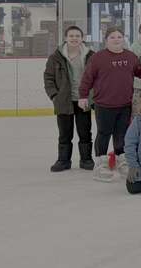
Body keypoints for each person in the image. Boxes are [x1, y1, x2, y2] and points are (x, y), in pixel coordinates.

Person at [79, 27, 141, 182]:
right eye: (112, 37)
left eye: (119, 36)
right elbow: (87, 78)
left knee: (122, 134)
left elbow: (140, 70)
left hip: (124, 103)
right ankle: (101, 164)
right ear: (106, 40)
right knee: (104, 133)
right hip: (104, 104)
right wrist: (83, 96)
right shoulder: (98, 58)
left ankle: (122, 160)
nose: (117, 39)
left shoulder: (130, 56)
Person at [44, 26, 95, 172]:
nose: (74, 38)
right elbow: (48, 77)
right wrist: (54, 95)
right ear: (66, 38)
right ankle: (63, 160)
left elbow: (99, 77)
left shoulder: (91, 56)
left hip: (83, 100)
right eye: (71, 36)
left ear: (82, 38)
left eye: (77, 36)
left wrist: (93, 96)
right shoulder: (56, 57)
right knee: (65, 133)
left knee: (85, 131)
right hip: (64, 100)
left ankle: (86, 160)